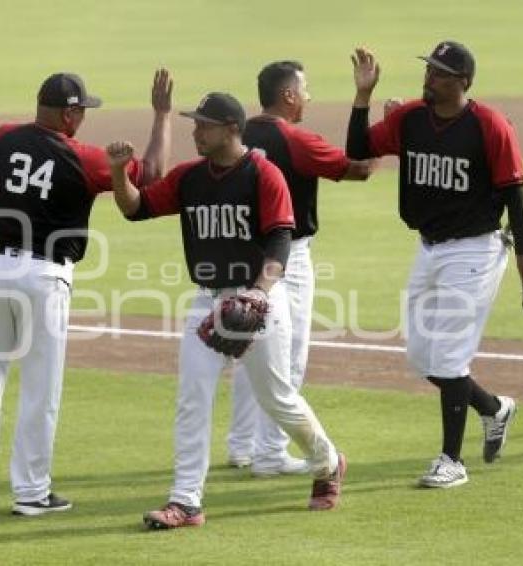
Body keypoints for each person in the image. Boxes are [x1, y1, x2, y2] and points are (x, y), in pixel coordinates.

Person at [106, 92, 347, 529]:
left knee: (277, 399)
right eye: (195, 123)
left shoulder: (263, 174)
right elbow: (135, 208)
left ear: (231, 129)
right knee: (192, 397)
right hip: (208, 300)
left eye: (204, 125)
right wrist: (120, 173)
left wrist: (259, 292)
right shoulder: (189, 177)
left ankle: (328, 463)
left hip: (259, 300)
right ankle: (185, 501)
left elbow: (279, 240)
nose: (195, 131)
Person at [0, 70, 172, 516]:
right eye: (82, 111)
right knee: (39, 390)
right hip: (45, 277)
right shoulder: (84, 158)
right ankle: (30, 493)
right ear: (68, 113)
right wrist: (161, 114)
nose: (84, 118)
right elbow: (154, 173)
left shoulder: (2, 137)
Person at [346, 41, 523, 487]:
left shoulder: (490, 126)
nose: (429, 78)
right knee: (420, 356)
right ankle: (493, 408)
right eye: (429, 70)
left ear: (463, 82)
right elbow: (357, 147)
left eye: (440, 73)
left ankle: (452, 461)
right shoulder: (410, 118)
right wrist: (363, 97)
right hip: (428, 248)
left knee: (448, 356)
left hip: (475, 250)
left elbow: (516, 197)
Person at [227, 61, 374, 476]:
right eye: (304, 89)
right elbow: (358, 170)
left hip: (242, 255)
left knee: (249, 348)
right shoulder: (294, 138)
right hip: (286, 257)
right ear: (288, 95)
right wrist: (378, 130)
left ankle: (241, 445)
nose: (309, 96)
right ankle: (271, 454)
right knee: (288, 356)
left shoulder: (240, 133)